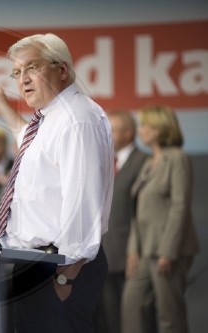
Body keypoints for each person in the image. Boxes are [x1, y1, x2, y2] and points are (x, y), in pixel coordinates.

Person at [0, 33, 114, 332]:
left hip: (62, 264)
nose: (23, 79)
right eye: (17, 72)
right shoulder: (48, 120)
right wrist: (2, 106)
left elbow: (82, 198)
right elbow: (27, 142)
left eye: (32, 68)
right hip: (35, 263)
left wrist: (67, 274)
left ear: (63, 70)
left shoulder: (77, 118)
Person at [122, 105, 200, 333]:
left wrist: (168, 251)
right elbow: (137, 211)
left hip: (168, 250)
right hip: (145, 250)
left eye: (146, 125)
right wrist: (132, 249)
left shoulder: (177, 159)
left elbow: (180, 208)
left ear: (160, 128)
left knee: (170, 316)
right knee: (132, 306)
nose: (141, 130)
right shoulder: (149, 163)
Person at [94, 110, 148, 333]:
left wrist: (135, 249)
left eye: (112, 131)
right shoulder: (104, 162)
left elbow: (142, 213)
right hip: (102, 253)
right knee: (106, 317)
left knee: (130, 320)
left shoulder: (144, 163)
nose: (107, 136)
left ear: (128, 132)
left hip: (130, 254)